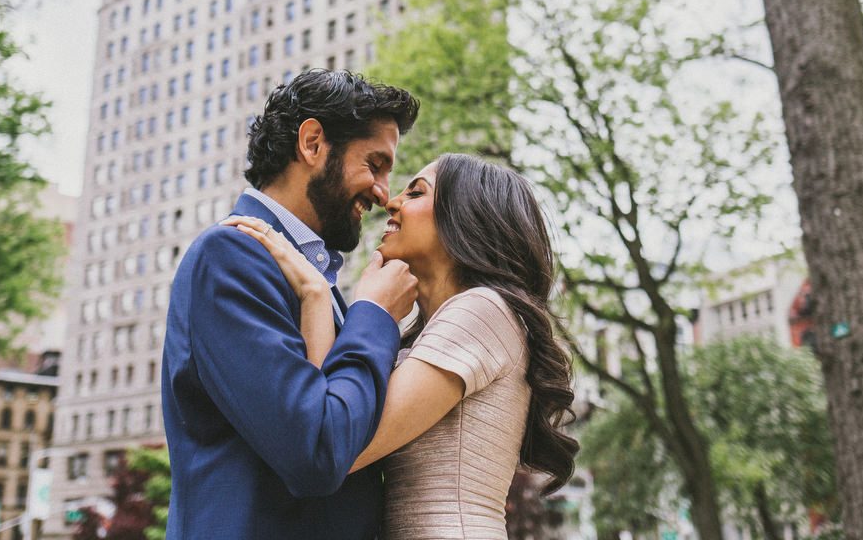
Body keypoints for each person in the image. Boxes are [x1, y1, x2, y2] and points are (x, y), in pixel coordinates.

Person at [226, 152, 579, 539]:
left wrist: (365, 307)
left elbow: (337, 448)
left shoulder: (482, 311)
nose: (392, 201)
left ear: (463, 216)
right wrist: (315, 296)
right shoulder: (427, 328)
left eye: (416, 192)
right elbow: (330, 413)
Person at [161, 70, 421, 540]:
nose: (384, 193)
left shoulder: (317, 284)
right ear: (313, 143)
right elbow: (317, 450)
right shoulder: (231, 257)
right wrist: (377, 315)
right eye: (375, 164)